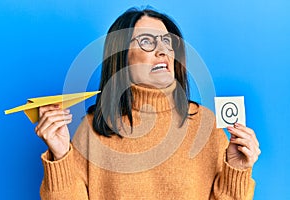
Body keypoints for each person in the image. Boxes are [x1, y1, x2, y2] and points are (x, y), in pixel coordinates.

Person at [35, 7, 261, 200]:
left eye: (167, 41)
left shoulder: (207, 124)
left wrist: (237, 168)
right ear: (121, 55)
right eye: (146, 42)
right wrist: (61, 155)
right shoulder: (92, 130)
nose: (162, 50)